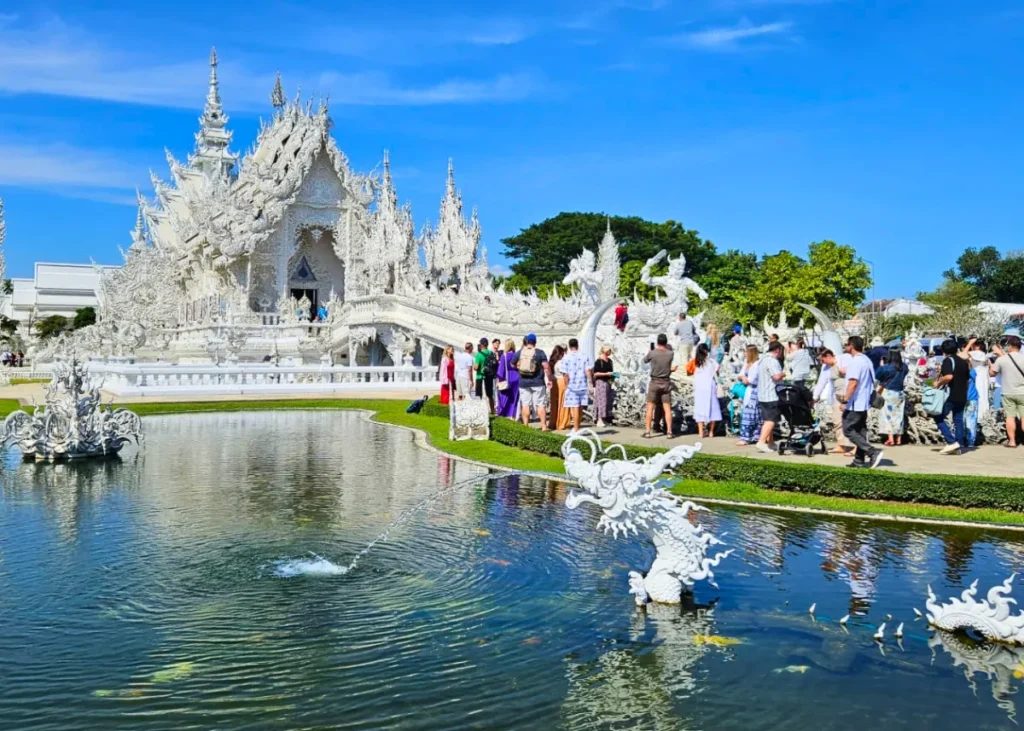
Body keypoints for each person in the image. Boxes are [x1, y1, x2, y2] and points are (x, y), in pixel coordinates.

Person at [842, 336, 884, 469]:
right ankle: (858, 460)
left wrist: (845, 400)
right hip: (864, 401)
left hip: (855, 401)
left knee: (848, 429)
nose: (845, 347)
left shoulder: (856, 362)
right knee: (860, 431)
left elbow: (853, 382)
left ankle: (872, 451)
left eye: (846, 344)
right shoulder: (866, 360)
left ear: (851, 346)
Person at [933, 338, 970, 455]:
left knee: (938, 417)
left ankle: (951, 441)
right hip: (962, 394)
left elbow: (949, 377)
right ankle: (959, 445)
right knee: (958, 420)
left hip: (951, 394)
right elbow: (967, 378)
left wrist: (938, 383)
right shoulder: (963, 361)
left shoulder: (948, 361)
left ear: (944, 350)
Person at [511, 334, 551, 430]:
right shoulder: (540, 352)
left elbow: (512, 364)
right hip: (538, 382)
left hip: (523, 382)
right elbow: (546, 366)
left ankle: (526, 425)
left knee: (525, 404)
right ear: (535, 342)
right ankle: (544, 426)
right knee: (540, 404)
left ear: (526, 341)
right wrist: (549, 379)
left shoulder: (520, 352)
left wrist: (519, 369)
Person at [991, 335, 1024, 448]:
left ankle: (1012, 441)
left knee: (1010, 417)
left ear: (1009, 346)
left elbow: (992, 373)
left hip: (1008, 392)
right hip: (1023, 392)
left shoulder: (1002, 360)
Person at [643, 334, 677, 438]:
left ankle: (648, 431)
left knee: (650, 407)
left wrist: (649, 351)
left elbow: (645, 360)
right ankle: (669, 432)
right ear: (666, 342)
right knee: (667, 408)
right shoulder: (670, 353)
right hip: (666, 382)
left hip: (654, 382)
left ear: (657, 342)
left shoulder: (653, 353)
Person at [755, 341, 786, 453]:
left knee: (768, 419)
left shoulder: (762, 360)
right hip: (771, 394)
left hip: (763, 394)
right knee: (771, 420)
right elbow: (776, 376)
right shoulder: (772, 361)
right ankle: (761, 442)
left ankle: (771, 442)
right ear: (777, 350)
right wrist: (783, 373)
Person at [875, 347, 908, 447]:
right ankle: (898, 438)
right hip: (900, 393)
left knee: (887, 416)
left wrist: (882, 365)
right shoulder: (904, 367)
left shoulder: (885, 367)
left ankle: (890, 439)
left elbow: (877, 377)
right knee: (899, 415)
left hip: (888, 392)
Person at [557, 338, 591, 432]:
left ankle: (576, 429)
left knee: (575, 407)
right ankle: (577, 427)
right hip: (583, 384)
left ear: (569, 346)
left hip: (572, 386)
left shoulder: (566, 357)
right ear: (577, 345)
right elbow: (588, 371)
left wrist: (567, 384)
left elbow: (565, 374)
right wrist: (590, 383)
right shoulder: (585, 356)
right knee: (580, 407)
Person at [692, 343, 721, 438]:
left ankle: (700, 432)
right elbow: (718, 370)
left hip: (699, 388)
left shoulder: (695, 362)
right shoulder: (712, 362)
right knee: (713, 409)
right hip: (710, 386)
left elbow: (689, 371)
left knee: (699, 408)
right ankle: (711, 432)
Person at [736, 345, 762, 445]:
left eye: (746, 352)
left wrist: (743, 378)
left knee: (753, 414)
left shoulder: (757, 364)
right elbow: (740, 375)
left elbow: (751, 380)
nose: (744, 354)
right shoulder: (747, 363)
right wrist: (743, 378)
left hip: (755, 391)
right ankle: (748, 436)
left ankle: (751, 436)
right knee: (748, 413)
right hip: (748, 391)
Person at [495, 338, 520, 418]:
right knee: (514, 397)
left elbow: (501, 369)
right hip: (516, 377)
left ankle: (503, 412)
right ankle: (512, 414)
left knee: (504, 395)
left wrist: (499, 379)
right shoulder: (516, 355)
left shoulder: (504, 356)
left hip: (506, 377)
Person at [592, 345, 615, 427]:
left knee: (607, 401)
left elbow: (612, 372)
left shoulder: (610, 361)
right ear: (604, 351)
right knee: (601, 401)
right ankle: (599, 419)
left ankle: (604, 418)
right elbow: (595, 373)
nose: (610, 351)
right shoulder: (599, 361)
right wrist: (606, 374)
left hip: (608, 383)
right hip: (600, 382)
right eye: (608, 350)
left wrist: (612, 381)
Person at [969, 340, 991, 423]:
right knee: (984, 396)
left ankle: (980, 416)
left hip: (979, 378)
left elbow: (964, 355)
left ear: (978, 346)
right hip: (983, 378)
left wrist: (969, 344)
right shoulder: (983, 355)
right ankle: (984, 415)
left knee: (980, 396)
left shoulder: (978, 353)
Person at [548, 345, 569, 430]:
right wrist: (568, 385)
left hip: (554, 382)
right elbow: (565, 375)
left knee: (554, 404)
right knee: (563, 403)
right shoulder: (560, 363)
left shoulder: (552, 362)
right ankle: (561, 423)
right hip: (561, 382)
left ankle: (553, 423)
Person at [473, 338, 497, 412]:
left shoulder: (479, 355)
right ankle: (492, 410)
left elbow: (476, 367)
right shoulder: (491, 353)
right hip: (489, 376)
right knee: (490, 395)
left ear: (482, 345)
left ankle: (479, 410)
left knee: (478, 394)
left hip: (480, 376)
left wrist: (475, 367)